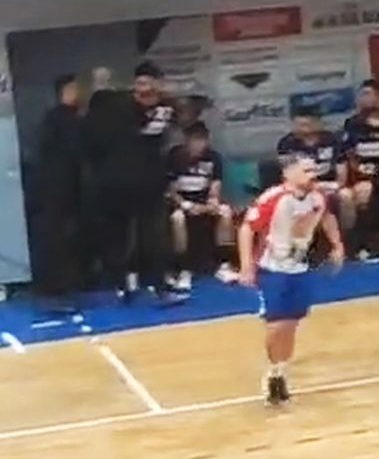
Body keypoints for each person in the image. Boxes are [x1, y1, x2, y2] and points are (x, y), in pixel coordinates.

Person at [239, 155, 345, 406]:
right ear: (288, 174)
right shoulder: (273, 198)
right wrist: (246, 266)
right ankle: (272, 370)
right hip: (272, 269)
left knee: (290, 325)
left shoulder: (317, 197)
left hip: (300, 268)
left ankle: (279, 373)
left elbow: (327, 217)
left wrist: (337, 244)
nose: (312, 174)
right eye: (306, 170)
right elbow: (247, 228)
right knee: (276, 326)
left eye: (313, 170)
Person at [85, 61, 183, 304]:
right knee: (119, 235)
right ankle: (123, 283)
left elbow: (179, 120)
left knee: (154, 234)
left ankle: (159, 285)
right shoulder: (117, 105)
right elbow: (96, 131)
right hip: (118, 181)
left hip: (150, 182)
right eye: (140, 83)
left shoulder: (166, 107)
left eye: (149, 83)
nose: (144, 88)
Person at [32, 74, 85, 308]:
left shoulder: (63, 118)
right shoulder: (61, 119)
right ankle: (55, 287)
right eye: (74, 88)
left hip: (65, 185)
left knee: (66, 236)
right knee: (57, 237)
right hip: (57, 186)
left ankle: (65, 284)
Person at [167, 122, 237, 290]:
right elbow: (170, 190)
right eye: (195, 140)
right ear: (186, 140)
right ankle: (184, 269)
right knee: (177, 219)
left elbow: (215, 188)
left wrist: (211, 203)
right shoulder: (174, 156)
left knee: (225, 213)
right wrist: (186, 205)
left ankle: (224, 264)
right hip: (181, 203)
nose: (199, 144)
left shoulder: (213, 158)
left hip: (204, 203)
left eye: (202, 140)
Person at [340, 80, 379, 260]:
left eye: (368, 94)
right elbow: (351, 158)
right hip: (367, 173)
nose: (364, 99)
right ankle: (363, 247)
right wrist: (370, 172)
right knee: (364, 192)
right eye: (362, 95)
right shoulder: (352, 124)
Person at [277, 106, 347, 196]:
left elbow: (341, 170)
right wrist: (309, 187)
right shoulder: (286, 143)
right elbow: (288, 174)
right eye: (300, 125)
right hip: (299, 187)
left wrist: (337, 185)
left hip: (327, 184)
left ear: (318, 123)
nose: (304, 128)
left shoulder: (333, 140)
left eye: (308, 124)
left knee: (345, 194)